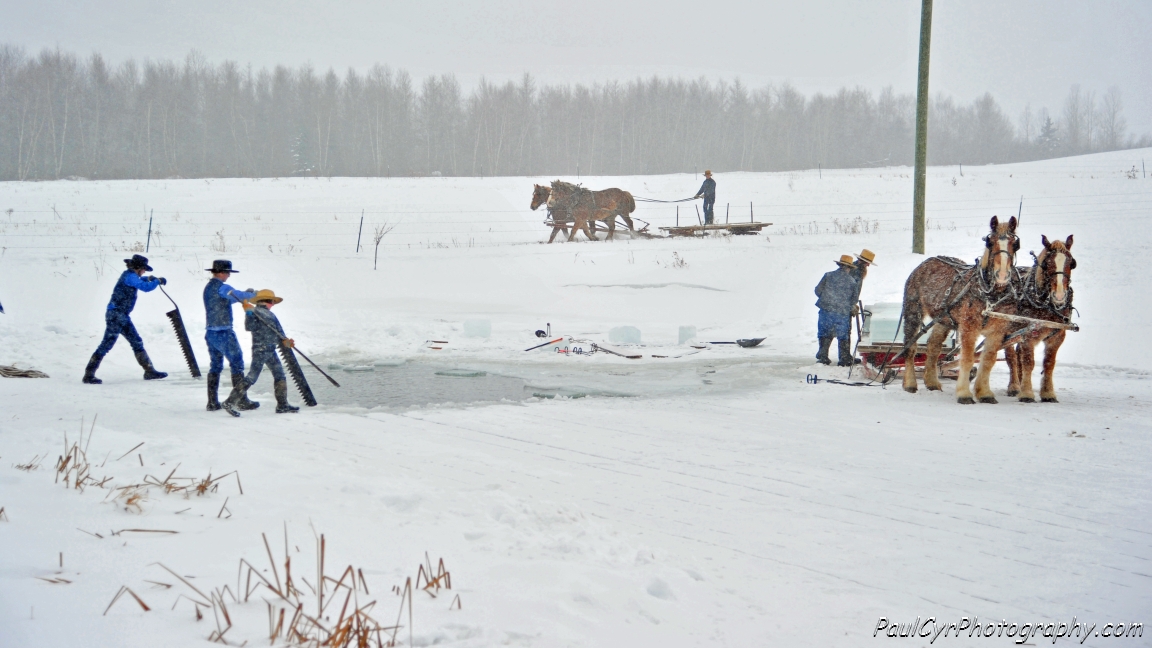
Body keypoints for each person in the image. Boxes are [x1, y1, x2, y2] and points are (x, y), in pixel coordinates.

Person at [83, 254, 168, 384]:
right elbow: (145, 288)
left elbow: (141, 280)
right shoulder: (130, 277)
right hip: (117, 315)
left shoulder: (129, 275)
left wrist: (149, 278)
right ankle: (89, 374)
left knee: (136, 342)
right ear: (139, 268)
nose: (144, 271)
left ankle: (149, 371)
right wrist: (157, 281)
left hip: (121, 315)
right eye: (144, 269)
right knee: (107, 344)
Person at [222, 289, 299, 416]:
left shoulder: (262, 313)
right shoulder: (255, 312)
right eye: (272, 302)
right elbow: (250, 327)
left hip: (269, 349)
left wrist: (286, 341)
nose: (273, 304)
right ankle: (229, 402)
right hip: (261, 350)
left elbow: (278, 332)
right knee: (252, 377)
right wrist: (248, 313)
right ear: (267, 302)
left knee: (279, 375)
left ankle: (282, 405)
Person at [203, 260, 260, 412]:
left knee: (215, 365)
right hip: (224, 332)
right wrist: (253, 295)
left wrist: (244, 295)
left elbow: (228, 299)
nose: (228, 276)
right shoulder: (223, 287)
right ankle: (241, 400)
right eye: (228, 273)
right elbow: (237, 296)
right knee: (237, 363)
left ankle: (212, 402)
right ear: (222, 273)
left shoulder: (209, 287)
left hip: (210, 332)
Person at [814, 255, 861, 366]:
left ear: (839, 265)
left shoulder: (828, 275)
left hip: (826, 311)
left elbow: (817, 290)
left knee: (824, 333)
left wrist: (827, 298)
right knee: (843, 335)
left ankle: (823, 357)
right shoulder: (852, 281)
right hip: (842, 313)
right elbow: (854, 299)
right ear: (849, 268)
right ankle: (844, 359)